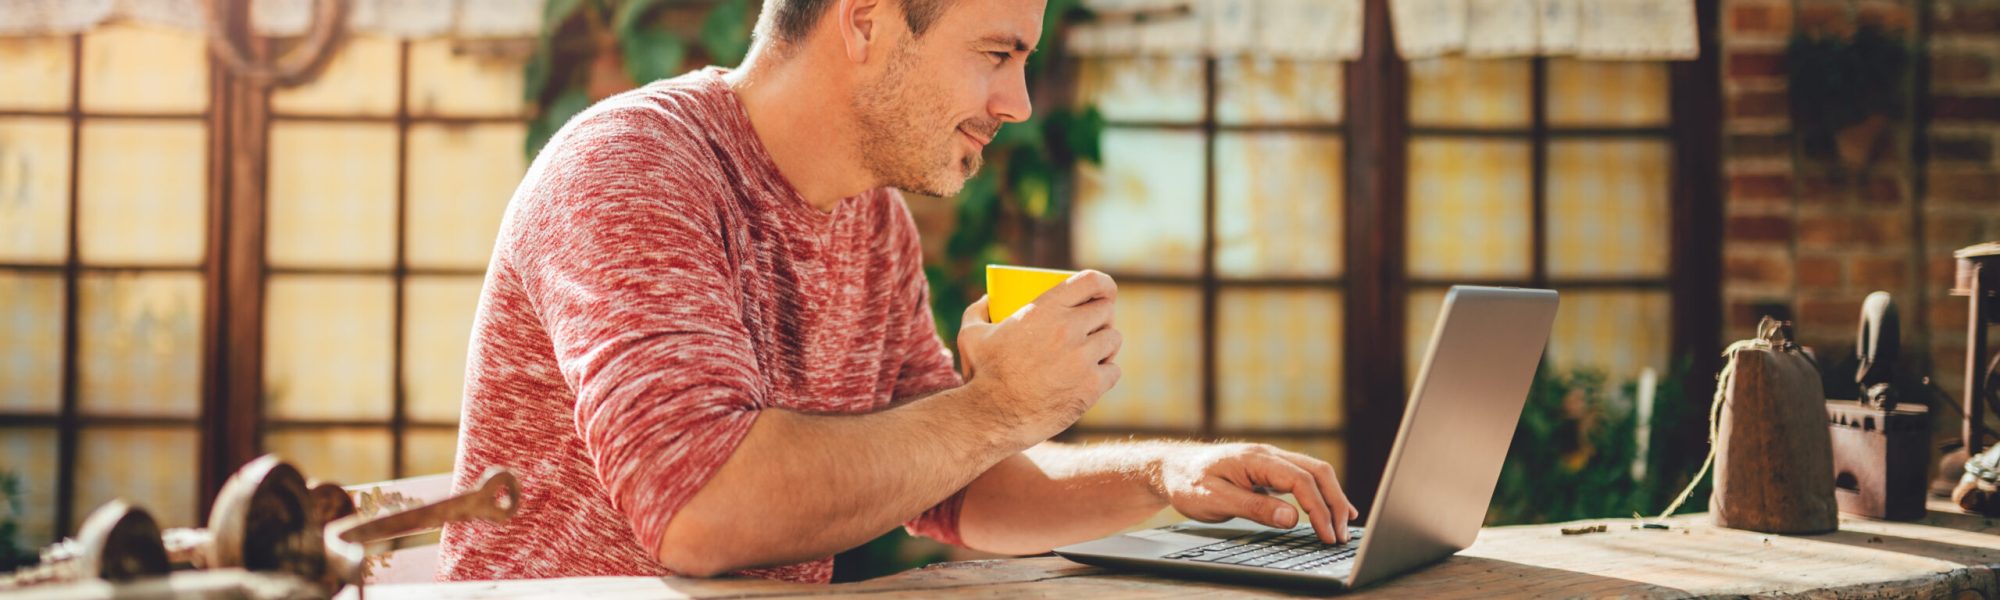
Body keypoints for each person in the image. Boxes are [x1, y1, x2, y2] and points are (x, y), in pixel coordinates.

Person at [439, 0, 1357, 582]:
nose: (1020, 103)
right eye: (997, 52)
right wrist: (997, 407)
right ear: (868, 23)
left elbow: (957, 489)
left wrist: (1166, 475)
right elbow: (699, 513)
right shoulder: (634, 170)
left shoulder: (869, 221)